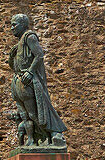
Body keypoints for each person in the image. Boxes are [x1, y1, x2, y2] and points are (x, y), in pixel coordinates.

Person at [7, 13, 67, 148]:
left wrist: (30, 71)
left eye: (14, 25)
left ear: (23, 25)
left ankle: (51, 135)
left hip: (28, 80)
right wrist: (12, 56)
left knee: (35, 113)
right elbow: (15, 64)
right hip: (18, 80)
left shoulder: (30, 37)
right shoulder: (19, 44)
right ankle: (34, 139)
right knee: (25, 115)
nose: (11, 28)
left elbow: (39, 55)